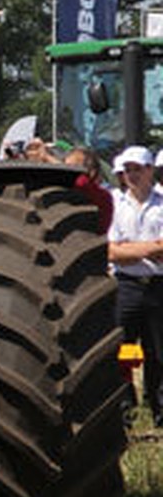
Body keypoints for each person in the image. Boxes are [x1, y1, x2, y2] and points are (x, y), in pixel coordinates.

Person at [108, 145, 163, 424]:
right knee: (124, 348)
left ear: (149, 170)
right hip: (126, 286)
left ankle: (159, 409)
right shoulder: (115, 203)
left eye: (137, 169)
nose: (131, 175)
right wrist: (150, 248)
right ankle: (126, 405)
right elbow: (111, 252)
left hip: (157, 286)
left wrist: (129, 249)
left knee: (157, 351)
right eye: (127, 170)